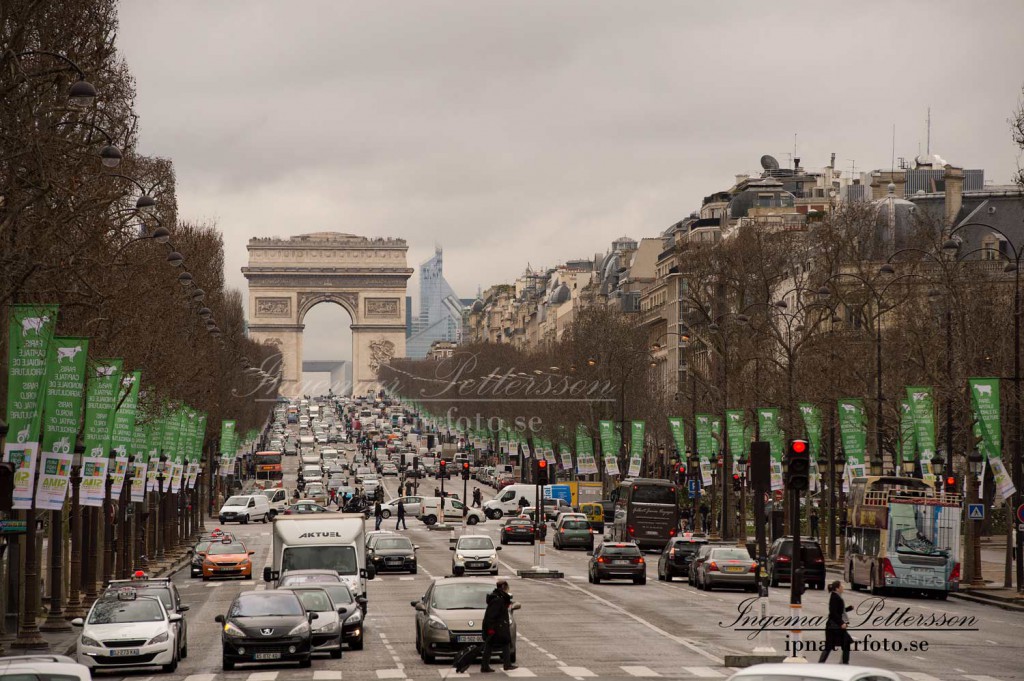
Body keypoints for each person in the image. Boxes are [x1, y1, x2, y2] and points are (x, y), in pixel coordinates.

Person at [479, 580, 516, 672]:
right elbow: (491, 616)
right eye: (507, 588)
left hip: (498, 626)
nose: (508, 590)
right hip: (497, 627)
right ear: (504, 587)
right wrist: (491, 629)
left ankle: (487, 666)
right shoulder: (497, 600)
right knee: (499, 643)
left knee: (496, 644)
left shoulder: (499, 597)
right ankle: (488, 666)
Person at [818, 580, 854, 664]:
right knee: (835, 645)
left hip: (834, 626)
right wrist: (841, 623)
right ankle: (844, 663)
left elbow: (838, 611)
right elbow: (833, 613)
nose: (843, 587)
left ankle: (843, 663)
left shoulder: (836, 596)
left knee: (833, 645)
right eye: (841, 586)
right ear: (837, 588)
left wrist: (848, 609)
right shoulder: (835, 597)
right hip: (834, 627)